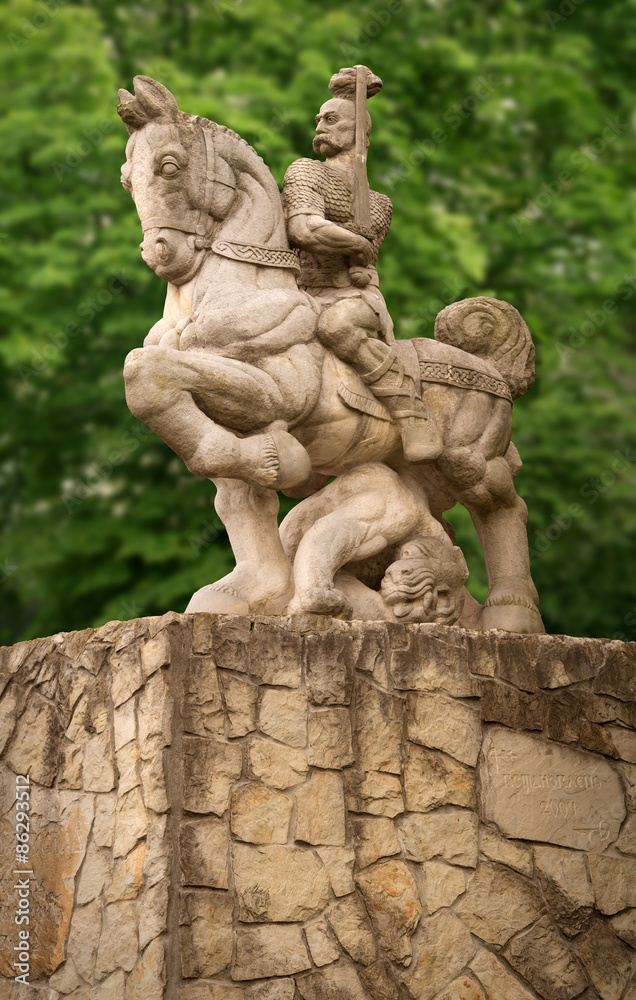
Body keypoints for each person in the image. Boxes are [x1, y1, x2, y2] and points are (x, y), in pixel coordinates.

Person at [282, 66, 442, 463]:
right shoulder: (305, 171)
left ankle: (411, 412)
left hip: (353, 296)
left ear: (359, 131)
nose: (319, 124)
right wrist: (356, 242)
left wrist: (359, 253)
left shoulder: (379, 203)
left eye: (331, 119)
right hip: (300, 290)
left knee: (336, 326)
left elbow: (362, 267)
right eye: (318, 118)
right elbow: (305, 228)